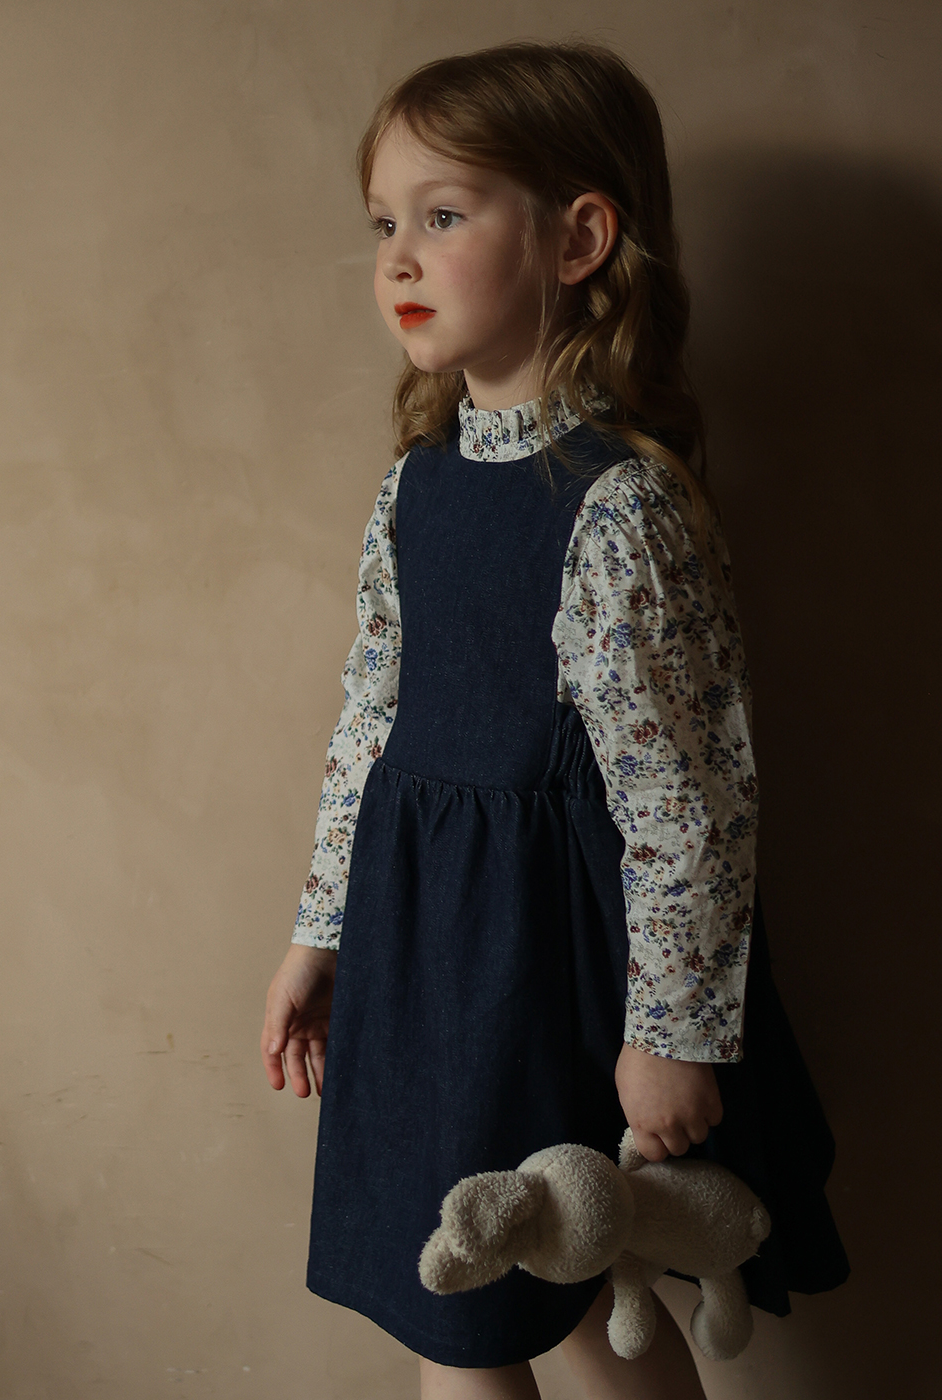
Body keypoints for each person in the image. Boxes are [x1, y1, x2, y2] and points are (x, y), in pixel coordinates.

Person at [259, 41, 848, 1400]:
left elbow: (690, 802)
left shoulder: (620, 506)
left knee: (568, 1287)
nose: (400, 259)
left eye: (443, 215)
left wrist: (672, 1034)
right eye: (384, 225)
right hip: (422, 952)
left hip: (550, 964)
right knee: (446, 1292)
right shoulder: (415, 486)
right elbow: (369, 720)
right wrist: (320, 933)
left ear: (579, 239)